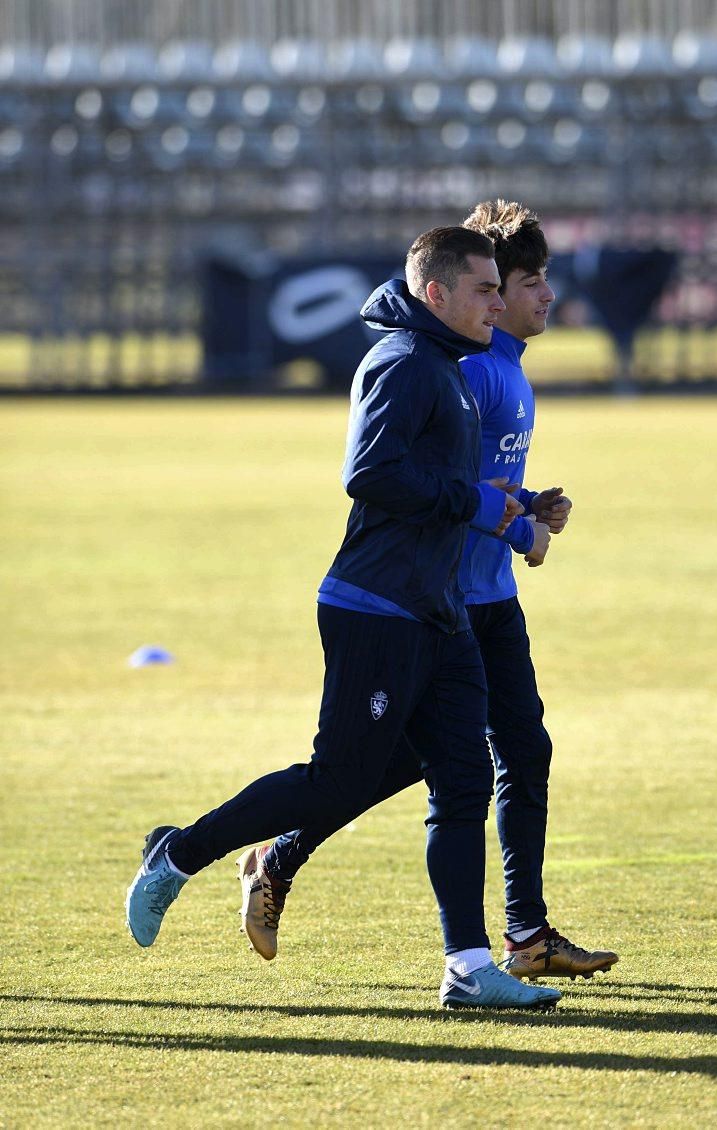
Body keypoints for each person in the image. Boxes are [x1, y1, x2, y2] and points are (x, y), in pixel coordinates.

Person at [125, 224, 562, 1013]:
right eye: (485, 289)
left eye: (503, 288)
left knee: (464, 779)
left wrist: (518, 505)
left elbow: (442, 476)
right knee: (340, 779)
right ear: (437, 293)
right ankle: (177, 855)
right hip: (378, 608)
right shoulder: (402, 361)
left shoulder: (453, 363)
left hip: (441, 609)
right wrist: (477, 503)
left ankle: (466, 966)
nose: (498, 301)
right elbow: (369, 474)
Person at [240, 202, 619, 984]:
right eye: (528, 280)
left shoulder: (504, 367)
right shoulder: (471, 367)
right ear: (487, 290)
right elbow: (437, 489)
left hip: (491, 597)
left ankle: (523, 933)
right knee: (411, 763)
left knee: (510, 750)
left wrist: (525, 509)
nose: (546, 293)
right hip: (447, 602)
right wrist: (519, 531)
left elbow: (482, 486)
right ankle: (284, 857)